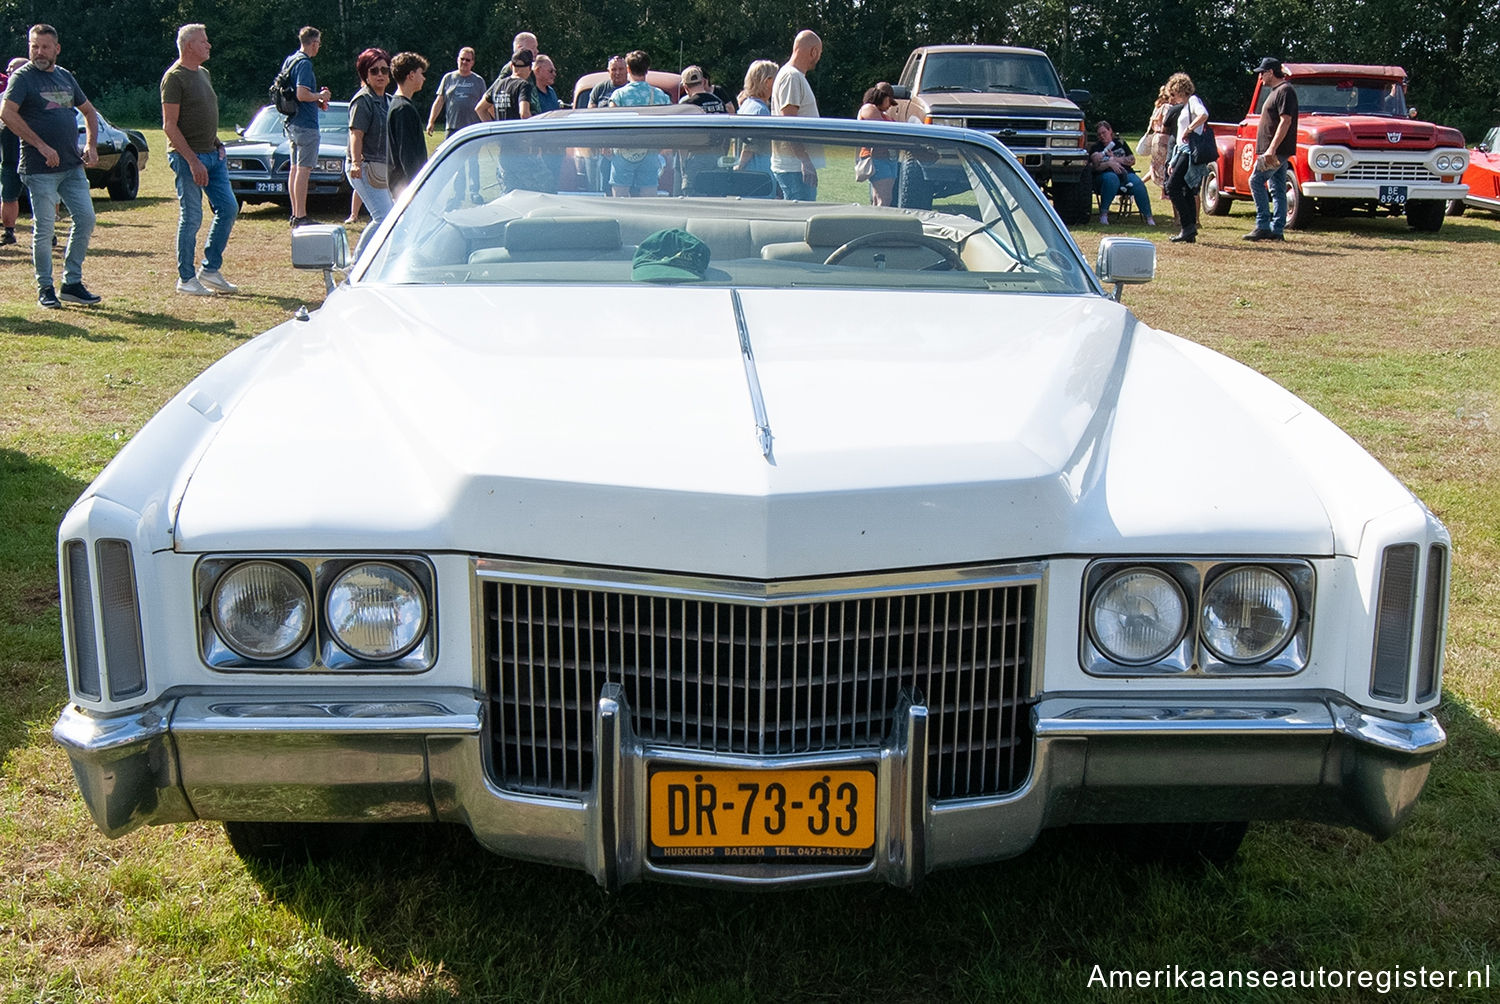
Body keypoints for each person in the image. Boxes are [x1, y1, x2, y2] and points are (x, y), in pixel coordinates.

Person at [0, 24, 101, 308]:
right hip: (39, 167)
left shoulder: (65, 77)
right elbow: (6, 113)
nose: (39, 52)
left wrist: (91, 145)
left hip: (71, 165)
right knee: (44, 230)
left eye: (45, 47)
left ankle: (72, 282)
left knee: (86, 219)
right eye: (34, 46)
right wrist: (41, 145)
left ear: (56, 49)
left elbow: (89, 111)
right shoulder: (22, 78)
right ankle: (45, 287)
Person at [161, 24, 239, 296]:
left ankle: (210, 269)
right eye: (203, 41)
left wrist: (216, 142)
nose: (209, 45)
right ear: (188, 46)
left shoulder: (203, 73)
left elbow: (202, 114)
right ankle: (186, 278)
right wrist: (193, 161)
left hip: (213, 155)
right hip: (187, 158)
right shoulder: (174, 77)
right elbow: (170, 126)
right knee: (192, 217)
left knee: (228, 208)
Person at [281, 26, 332, 227]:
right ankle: (301, 216)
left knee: (294, 169)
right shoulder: (304, 64)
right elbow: (302, 94)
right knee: (303, 170)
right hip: (306, 124)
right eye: (318, 43)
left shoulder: (290, 60)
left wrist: (316, 99)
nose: (319, 46)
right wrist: (320, 96)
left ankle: (295, 213)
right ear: (313, 43)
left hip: (292, 122)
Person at [1245, 57, 1299, 242]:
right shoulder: (1278, 91)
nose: (1260, 77)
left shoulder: (1285, 90)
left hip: (1276, 150)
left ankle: (1262, 225)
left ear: (1270, 72)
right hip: (1275, 150)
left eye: (1262, 72)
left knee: (1255, 181)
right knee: (1277, 188)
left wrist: (1271, 149)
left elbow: (1286, 121)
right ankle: (1277, 230)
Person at [346, 47, 393, 255]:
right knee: (383, 217)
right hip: (363, 166)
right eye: (374, 71)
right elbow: (356, 134)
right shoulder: (363, 100)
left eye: (384, 70)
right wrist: (356, 162)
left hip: (382, 167)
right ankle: (357, 263)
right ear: (365, 74)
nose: (380, 74)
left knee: (391, 217)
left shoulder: (388, 100)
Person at [607, 51, 671, 197]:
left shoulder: (619, 95)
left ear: (628, 69)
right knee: (649, 191)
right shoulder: (661, 96)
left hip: (623, 150)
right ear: (647, 69)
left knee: (620, 192)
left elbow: (612, 123)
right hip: (650, 150)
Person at [426, 47, 486, 203]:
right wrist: (431, 121)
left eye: (467, 60)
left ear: (472, 62)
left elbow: (486, 104)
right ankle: (458, 194)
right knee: (456, 163)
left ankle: (474, 192)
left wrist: (488, 123)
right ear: (457, 59)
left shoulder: (478, 81)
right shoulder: (448, 78)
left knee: (473, 162)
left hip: (472, 128)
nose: (464, 62)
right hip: (452, 127)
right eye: (462, 59)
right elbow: (439, 101)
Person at [770, 30, 823, 201]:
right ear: (813, 51)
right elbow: (789, 123)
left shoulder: (793, 76)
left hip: (796, 165)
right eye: (819, 53)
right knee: (801, 219)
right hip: (794, 167)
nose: (818, 58)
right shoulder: (791, 77)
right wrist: (805, 161)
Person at [1163, 71, 1209, 243]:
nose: (1172, 98)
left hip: (1189, 151)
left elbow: (1203, 115)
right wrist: (1174, 159)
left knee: (1172, 186)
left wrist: (1189, 129)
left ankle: (1187, 226)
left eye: (1173, 94)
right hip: (1183, 151)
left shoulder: (1193, 101)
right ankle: (1189, 229)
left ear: (1180, 90)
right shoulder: (1186, 105)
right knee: (1187, 189)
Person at [1089, 120, 1156, 226]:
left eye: (1104, 132)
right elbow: (1095, 167)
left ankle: (1149, 217)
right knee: (1111, 178)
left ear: (1110, 131)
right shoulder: (1096, 147)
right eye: (1099, 134)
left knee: (1137, 183)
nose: (1102, 136)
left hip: (1126, 173)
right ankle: (1104, 215)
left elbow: (1132, 160)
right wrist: (1109, 164)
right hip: (1105, 175)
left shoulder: (1120, 143)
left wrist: (1114, 159)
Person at [385, 51, 429, 197]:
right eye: (421, 73)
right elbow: (407, 155)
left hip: (403, 185)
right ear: (411, 75)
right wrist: (418, 187)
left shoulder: (398, 104)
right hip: (406, 187)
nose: (423, 78)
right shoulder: (403, 108)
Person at [734, 60, 777, 183]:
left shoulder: (746, 105)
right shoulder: (760, 111)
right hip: (759, 175)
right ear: (768, 82)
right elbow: (749, 146)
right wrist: (740, 166)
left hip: (746, 175)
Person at [855, 83, 898, 206]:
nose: (890, 105)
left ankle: (876, 221)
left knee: (882, 197)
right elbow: (883, 130)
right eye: (889, 101)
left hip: (888, 158)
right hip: (876, 158)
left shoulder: (884, 115)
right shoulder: (869, 108)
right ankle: (881, 223)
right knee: (883, 199)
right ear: (882, 96)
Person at [0, 56, 26, 246]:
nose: (9, 73)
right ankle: (9, 232)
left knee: (42, 197)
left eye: (14, 69)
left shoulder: (35, 94)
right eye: (8, 69)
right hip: (10, 157)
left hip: (35, 156)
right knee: (8, 195)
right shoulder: (3, 98)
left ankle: (48, 234)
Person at [476, 49, 536, 122]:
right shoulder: (523, 85)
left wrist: (493, 127)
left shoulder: (498, 84)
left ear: (511, 66)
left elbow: (480, 109)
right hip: (516, 132)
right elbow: (524, 113)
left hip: (502, 132)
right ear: (530, 68)